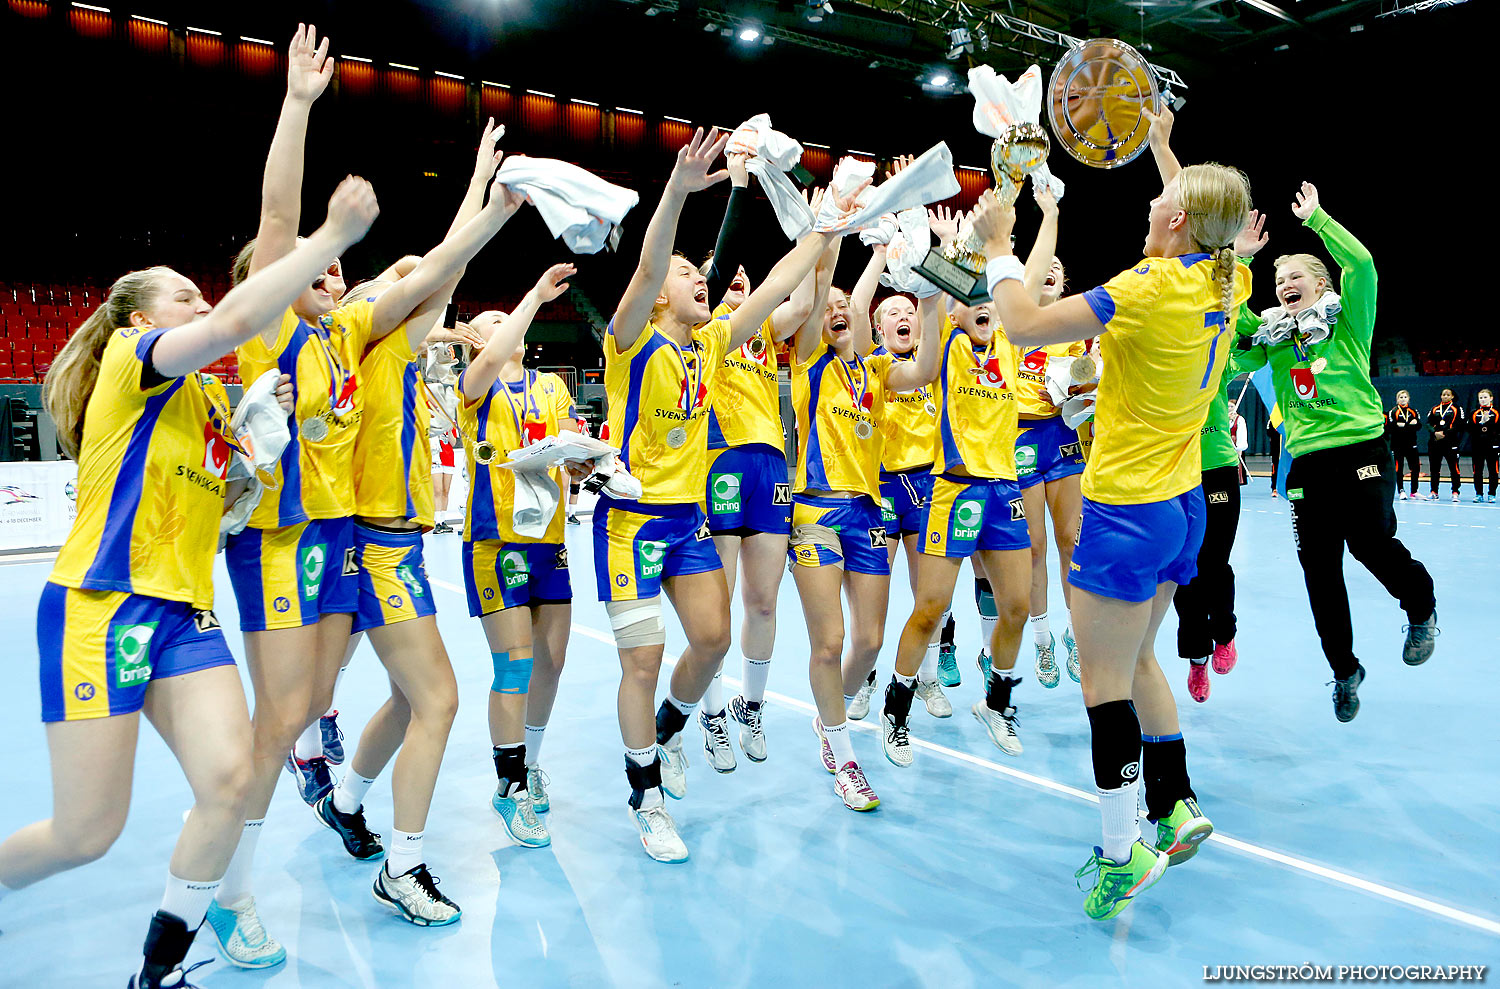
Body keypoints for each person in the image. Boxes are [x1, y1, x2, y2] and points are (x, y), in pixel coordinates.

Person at [0, 177, 378, 989]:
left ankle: (159, 966)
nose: (198, 302)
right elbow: (242, 312)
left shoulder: (210, 399)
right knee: (85, 832)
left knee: (232, 779)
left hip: (183, 613)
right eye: (182, 296)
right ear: (140, 319)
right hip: (100, 606)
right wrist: (330, 238)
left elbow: (233, 489)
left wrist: (256, 438)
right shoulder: (135, 361)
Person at [210, 28, 526, 966]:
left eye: (339, 264)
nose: (334, 270)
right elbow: (279, 228)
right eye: (318, 266)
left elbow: (434, 271)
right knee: (281, 724)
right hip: (283, 544)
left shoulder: (350, 335)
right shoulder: (269, 335)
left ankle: (368, 823)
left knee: (403, 698)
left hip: (352, 546)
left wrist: (500, 202)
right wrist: (299, 105)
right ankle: (224, 890)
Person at [971, 106, 1253, 919]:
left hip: (1125, 507)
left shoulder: (1148, 284)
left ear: (1176, 220)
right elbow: (1190, 203)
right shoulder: (1221, 278)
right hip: (1181, 504)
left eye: (1162, 204)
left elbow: (1020, 325)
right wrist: (1163, 143)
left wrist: (998, 244)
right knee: (1138, 663)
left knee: (1104, 684)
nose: (1151, 207)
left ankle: (1119, 849)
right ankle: (1176, 802)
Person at [595, 128, 852, 862]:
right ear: (654, 300)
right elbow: (648, 268)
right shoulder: (630, 343)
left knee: (712, 639)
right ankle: (645, 791)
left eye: (696, 274)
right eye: (686, 275)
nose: (697, 280)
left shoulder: (711, 344)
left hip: (686, 520)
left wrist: (828, 220)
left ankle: (671, 730)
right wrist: (679, 190)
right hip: (628, 524)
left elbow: (775, 286)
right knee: (641, 663)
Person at [310, 122, 522, 928]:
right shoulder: (368, 334)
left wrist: (476, 186)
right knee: (438, 700)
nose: (411, 286)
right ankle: (404, 865)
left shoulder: (378, 343)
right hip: (379, 545)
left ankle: (346, 797)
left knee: (404, 698)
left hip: (386, 543)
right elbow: (444, 262)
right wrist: (488, 199)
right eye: (387, 281)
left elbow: (442, 264)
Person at [1231, 180, 1438, 722]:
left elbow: (1364, 266)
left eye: (1293, 275)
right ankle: (1344, 670)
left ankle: (1421, 604)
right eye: (1277, 280)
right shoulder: (1274, 336)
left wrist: (1319, 220)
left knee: (1370, 544)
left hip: (1361, 448)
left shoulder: (1346, 319)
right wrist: (1238, 263)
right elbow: (1234, 341)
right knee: (1319, 572)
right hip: (1308, 465)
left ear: (1319, 282)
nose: (1283, 285)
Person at [880, 201, 1060, 768]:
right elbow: (949, 291)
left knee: (1016, 606)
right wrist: (949, 249)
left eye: (992, 302)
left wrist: (1049, 209)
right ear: (958, 311)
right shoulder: (949, 343)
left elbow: (1028, 275)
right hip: (953, 488)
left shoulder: (1009, 339)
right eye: (973, 302)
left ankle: (996, 703)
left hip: (1004, 490)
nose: (986, 307)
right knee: (930, 607)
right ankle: (896, 711)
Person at [789, 234, 941, 808]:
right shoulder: (809, 363)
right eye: (827, 307)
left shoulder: (877, 371)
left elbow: (925, 368)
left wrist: (924, 294)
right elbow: (820, 298)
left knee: (870, 641)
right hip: (816, 510)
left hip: (870, 512)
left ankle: (827, 720)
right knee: (829, 643)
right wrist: (839, 239)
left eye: (842, 306)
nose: (836, 312)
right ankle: (846, 757)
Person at [696, 149, 815, 772]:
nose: (738, 282)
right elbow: (729, 282)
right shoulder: (708, 335)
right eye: (727, 278)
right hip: (718, 461)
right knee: (718, 598)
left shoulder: (764, 335)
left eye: (746, 279)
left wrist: (828, 237)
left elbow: (797, 305)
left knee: (764, 599)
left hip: (771, 467)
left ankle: (752, 705)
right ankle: (713, 712)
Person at [455, 264, 578, 850]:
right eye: (495, 322)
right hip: (495, 543)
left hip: (550, 542)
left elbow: (564, 450)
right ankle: (507, 787)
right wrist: (532, 294)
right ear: (478, 342)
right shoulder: (474, 389)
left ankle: (529, 760)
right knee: (515, 664)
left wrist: (582, 460)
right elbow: (486, 360)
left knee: (551, 661)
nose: (510, 325)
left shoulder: (552, 387)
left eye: (513, 318)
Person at [1172, 210, 1269, 703]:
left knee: (1215, 562)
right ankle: (1195, 657)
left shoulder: (1220, 348)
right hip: (1172, 470)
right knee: (1184, 567)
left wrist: (1239, 260)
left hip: (1215, 466)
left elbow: (1253, 332)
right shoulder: (1162, 352)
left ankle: (1224, 633)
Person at [1008, 190, 1089, 691]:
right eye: (1044, 265)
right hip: (1018, 437)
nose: (1051, 268)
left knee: (1070, 541)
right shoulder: (1008, 324)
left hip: (1062, 436)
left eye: (1059, 266)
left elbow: (1091, 383)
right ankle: (1042, 644)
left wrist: (1085, 388)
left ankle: (1077, 638)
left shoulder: (1079, 326)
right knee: (1033, 547)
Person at [1426, 387, 1463, 502]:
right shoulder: (1435, 409)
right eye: (1443, 394)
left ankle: (1455, 492)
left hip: (1450, 442)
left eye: (1448, 394)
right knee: (1434, 468)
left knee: (1454, 468)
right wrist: (1434, 432)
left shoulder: (1457, 408)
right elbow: (1428, 424)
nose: (1445, 396)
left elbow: (1459, 424)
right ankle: (1434, 491)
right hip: (1435, 442)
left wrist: (1445, 433)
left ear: (1452, 396)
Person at [1386, 389, 1422, 500]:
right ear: (1397, 400)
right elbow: (1392, 428)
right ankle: (1401, 490)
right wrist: (1409, 425)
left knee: (1415, 468)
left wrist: (1404, 426)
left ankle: (1414, 491)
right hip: (1397, 445)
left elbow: (1419, 426)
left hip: (1411, 444)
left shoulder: (1413, 411)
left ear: (1409, 399)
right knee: (1399, 468)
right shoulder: (1393, 412)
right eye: (1401, 397)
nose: (1403, 399)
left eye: (1405, 397)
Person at [1471, 388, 1499, 502]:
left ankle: (1492, 494)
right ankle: (1479, 494)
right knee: (1477, 471)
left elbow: (1498, 429)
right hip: (1478, 446)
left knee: (1493, 470)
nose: (1483, 400)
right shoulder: (1474, 413)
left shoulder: (1496, 413)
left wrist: (1488, 422)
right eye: (1481, 398)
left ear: (1491, 398)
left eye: (1485, 397)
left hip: (1492, 446)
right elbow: (1470, 429)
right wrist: (1481, 422)